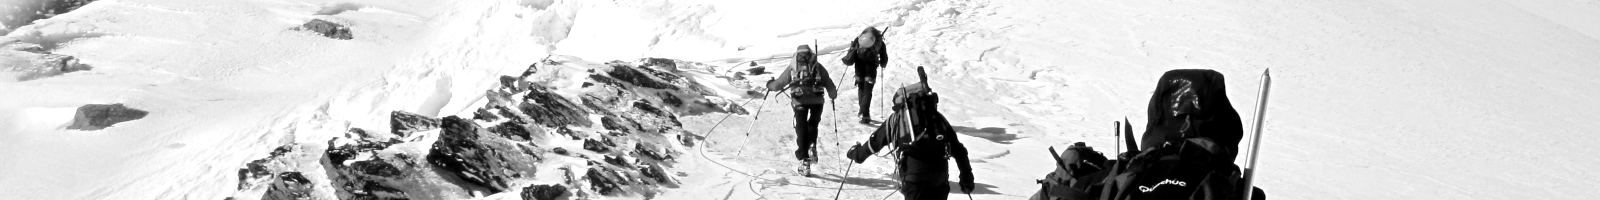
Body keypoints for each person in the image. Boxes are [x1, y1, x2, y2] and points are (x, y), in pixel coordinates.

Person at [845, 67, 975, 199]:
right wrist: (967, 179)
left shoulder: (897, 119)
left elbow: (874, 143)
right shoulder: (937, 118)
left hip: (913, 178)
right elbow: (959, 151)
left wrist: (856, 154)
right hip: (939, 178)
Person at [766, 45, 840, 175]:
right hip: (817, 101)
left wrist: (769, 85)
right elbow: (828, 82)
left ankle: (804, 158)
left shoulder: (793, 66)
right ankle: (812, 145)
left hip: (800, 100)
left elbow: (778, 84)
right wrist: (833, 95)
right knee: (813, 124)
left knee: (801, 127)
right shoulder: (817, 66)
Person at [841, 27, 889, 124]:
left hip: (859, 68)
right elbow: (884, 58)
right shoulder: (879, 42)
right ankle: (865, 114)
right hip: (871, 69)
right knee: (868, 91)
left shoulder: (859, 39)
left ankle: (862, 110)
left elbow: (851, 51)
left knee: (861, 89)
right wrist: (883, 63)